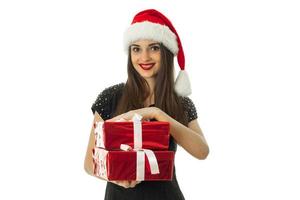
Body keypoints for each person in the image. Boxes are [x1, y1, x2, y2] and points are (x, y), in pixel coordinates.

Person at [84, 9, 209, 200]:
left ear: (166, 52)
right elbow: (89, 163)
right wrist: (116, 177)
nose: (144, 57)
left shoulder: (179, 103)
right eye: (136, 49)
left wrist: (158, 113)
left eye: (154, 48)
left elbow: (202, 151)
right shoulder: (111, 98)